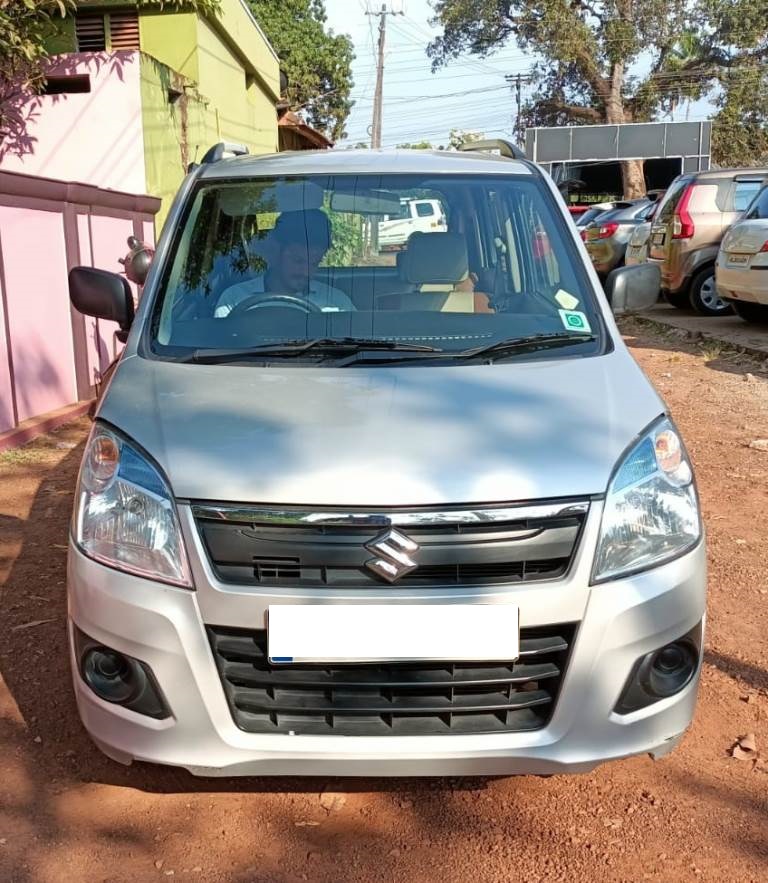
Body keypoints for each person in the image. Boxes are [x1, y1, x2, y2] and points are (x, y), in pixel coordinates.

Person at [214, 209, 354, 316]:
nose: (306, 272)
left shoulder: (338, 304)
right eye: (298, 261)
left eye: (314, 263)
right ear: (275, 253)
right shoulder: (234, 300)